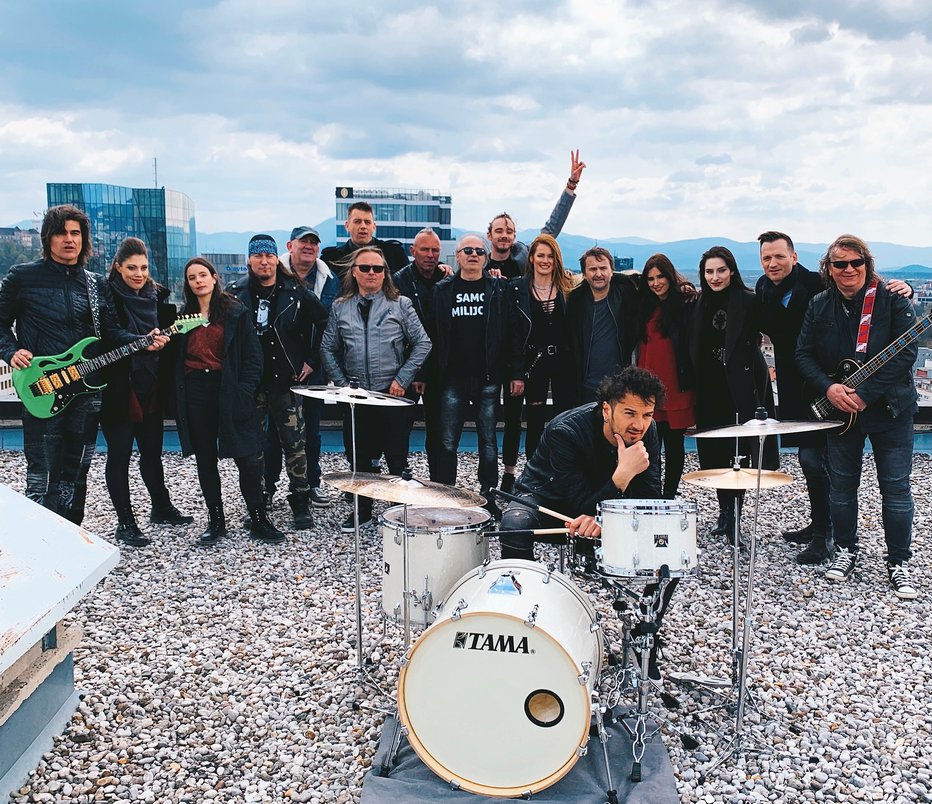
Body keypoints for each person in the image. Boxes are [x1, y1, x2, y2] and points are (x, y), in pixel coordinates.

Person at [498, 366, 673, 679]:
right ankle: (524, 624)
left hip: (603, 502)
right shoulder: (565, 431)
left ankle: (646, 629)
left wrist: (612, 514)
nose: (639, 425)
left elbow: (650, 500)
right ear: (607, 409)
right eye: (630, 413)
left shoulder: (649, 432)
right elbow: (577, 502)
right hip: (549, 499)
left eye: (647, 414)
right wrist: (622, 476)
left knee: (670, 548)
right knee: (514, 523)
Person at [0, 205, 168, 525]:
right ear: (48, 237)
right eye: (62, 232)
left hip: (86, 391)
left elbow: (110, 334)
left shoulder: (94, 284)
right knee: (41, 474)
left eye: (75, 233)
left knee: (77, 471)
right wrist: (10, 351)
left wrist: (144, 339)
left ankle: (70, 539)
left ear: (84, 238)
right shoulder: (23, 277)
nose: (69, 239)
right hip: (43, 387)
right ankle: (41, 541)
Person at [796, 235, 918, 599]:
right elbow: (802, 354)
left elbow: (906, 353)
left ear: (867, 264)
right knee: (842, 487)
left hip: (891, 409)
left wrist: (865, 394)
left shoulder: (893, 300)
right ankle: (846, 550)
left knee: (896, 488)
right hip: (842, 410)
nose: (849, 270)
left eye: (856, 263)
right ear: (828, 269)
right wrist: (829, 388)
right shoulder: (819, 305)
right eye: (840, 264)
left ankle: (899, 561)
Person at [321, 246, 431, 532]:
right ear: (354, 272)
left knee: (397, 456)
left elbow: (423, 343)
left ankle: (397, 514)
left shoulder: (401, 304)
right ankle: (362, 511)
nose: (372, 273)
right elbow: (328, 348)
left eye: (378, 269)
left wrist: (403, 379)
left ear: (385, 273)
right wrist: (344, 386)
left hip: (391, 394)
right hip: (357, 397)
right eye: (366, 268)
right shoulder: (340, 306)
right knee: (359, 457)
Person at [174, 257, 280, 545]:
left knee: (247, 457)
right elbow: (175, 358)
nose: (198, 281)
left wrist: (244, 390)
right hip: (197, 391)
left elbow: (252, 356)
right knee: (206, 459)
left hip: (230, 388)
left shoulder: (234, 311)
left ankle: (258, 517)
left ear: (213, 277)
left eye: (202, 275)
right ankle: (216, 519)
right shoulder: (183, 318)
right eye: (192, 277)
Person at [227, 234, 328, 531]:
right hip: (252, 385)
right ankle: (259, 501)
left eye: (268, 256)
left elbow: (325, 322)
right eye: (257, 256)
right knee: (254, 447)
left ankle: (300, 500)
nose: (263, 261)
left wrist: (312, 359)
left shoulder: (295, 291)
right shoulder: (235, 294)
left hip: (287, 382)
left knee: (295, 445)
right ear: (249, 260)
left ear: (276, 259)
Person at [100, 237, 192, 547]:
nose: (139, 274)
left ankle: (161, 506)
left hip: (152, 383)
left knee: (152, 451)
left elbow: (173, 339)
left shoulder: (158, 296)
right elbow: (109, 336)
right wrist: (142, 341)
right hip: (120, 385)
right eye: (131, 268)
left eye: (144, 267)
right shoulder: (105, 296)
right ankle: (125, 522)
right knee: (120, 453)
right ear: (117, 267)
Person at [688, 245, 777, 539]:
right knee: (713, 452)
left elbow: (781, 323)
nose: (715, 277)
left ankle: (737, 514)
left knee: (740, 454)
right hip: (709, 387)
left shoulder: (750, 301)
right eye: (709, 272)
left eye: (721, 270)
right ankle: (724, 511)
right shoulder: (698, 304)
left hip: (741, 386)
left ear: (732, 271)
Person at [430, 234, 510, 515]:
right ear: (458, 257)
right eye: (468, 250)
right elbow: (434, 336)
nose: (474, 254)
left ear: (485, 258)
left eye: (479, 250)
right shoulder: (442, 290)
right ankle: (447, 494)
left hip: (488, 376)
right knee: (448, 440)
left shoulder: (498, 289)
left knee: (488, 440)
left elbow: (508, 334)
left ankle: (488, 494)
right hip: (453, 377)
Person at [266, 225, 340, 508]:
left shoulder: (329, 280)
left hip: (314, 365)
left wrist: (313, 360)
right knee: (272, 431)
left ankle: (311, 483)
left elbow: (328, 325)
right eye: (303, 242)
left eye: (313, 243)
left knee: (311, 429)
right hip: (279, 367)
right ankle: (269, 485)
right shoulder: (273, 276)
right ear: (289, 246)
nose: (308, 247)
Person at [501, 233, 576, 492]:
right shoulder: (516, 288)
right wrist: (516, 371)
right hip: (532, 361)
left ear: (556, 260)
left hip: (563, 361)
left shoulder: (568, 288)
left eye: (550, 256)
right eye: (540, 255)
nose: (545, 260)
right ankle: (526, 475)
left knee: (564, 418)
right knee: (532, 420)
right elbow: (510, 333)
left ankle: (560, 472)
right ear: (531, 258)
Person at [635, 254, 696, 499]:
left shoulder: (685, 303)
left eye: (660, 276)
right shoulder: (643, 304)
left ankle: (669, 495)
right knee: (648, 443)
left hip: (675, 384)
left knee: (674, 444)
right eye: (650, 278)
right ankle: (650, 493)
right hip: (648, 385)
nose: (656, 282)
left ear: (670, 276)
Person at [393, 227, 447, 479]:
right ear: (412, 251)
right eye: (424, 249)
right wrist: (414, 373)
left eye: (435, 250)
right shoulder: (398, 281)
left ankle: (438, 482)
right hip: (406, 367)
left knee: (437, 432)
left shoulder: (447, 280)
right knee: (400, 430)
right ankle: (399, 481)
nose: (430, 255)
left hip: (439, 369)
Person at [486, 150, 587, 279]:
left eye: (509, 231)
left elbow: (552, 228)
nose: (504, 235)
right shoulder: (481, 265)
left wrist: (571, 185)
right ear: (489, 235)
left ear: (514, 236)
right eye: (499, 231)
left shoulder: (525, 255)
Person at [566, 246, 640, 404]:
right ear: (584, 274)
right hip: (585, 386)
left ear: (612, 271)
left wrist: (684, 285)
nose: (598, 274)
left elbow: (654, 289)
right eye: (592, 269)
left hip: (620, 385)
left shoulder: (626, 295)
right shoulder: (575, 302)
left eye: (603, 268)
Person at [320, 201, 409, 275]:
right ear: (347, 226)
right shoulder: (331, 260)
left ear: (374, 227)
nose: (363, 226)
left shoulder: (394, 254)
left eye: (367, 222)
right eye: (357, 222)